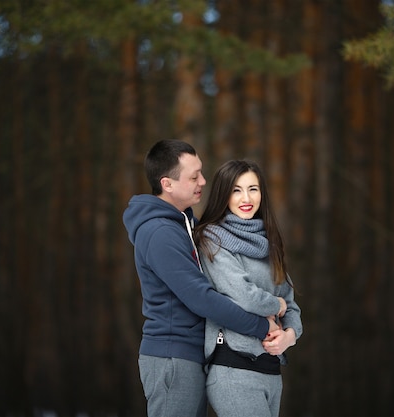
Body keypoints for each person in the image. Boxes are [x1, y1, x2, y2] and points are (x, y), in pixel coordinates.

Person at [122, 141, 281, 417]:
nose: (203, 182)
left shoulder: (185, 224)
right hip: (172, 355)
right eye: (194, 177)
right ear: (167, 184)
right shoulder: (160, 233)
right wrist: (259, 326)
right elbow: (202, 298)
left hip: (192, 354)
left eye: (201, 173)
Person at [193, 159, 303, 417]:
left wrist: (289, 336)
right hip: (234, 369)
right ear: (223, 195)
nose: (246, 197)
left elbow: (292, 304)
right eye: (236, 189)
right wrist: (278, 305)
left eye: (253, 189)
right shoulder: (212, 238)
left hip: (271, 372)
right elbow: (244, 295)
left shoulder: (269, 243)